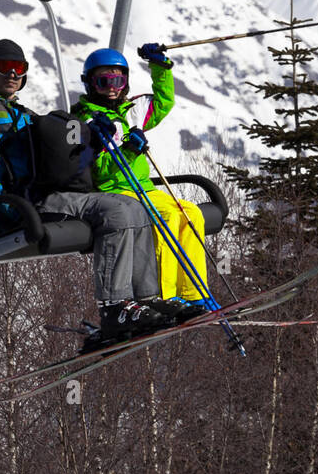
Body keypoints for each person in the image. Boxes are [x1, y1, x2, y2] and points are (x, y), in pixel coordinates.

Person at [0, 27, 180, 347]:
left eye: (19, 69)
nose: (11, 74)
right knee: (117, 211)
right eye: (3, 67)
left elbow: (64, 157)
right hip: (12, 205)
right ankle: (114, 307)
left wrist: (93, 136)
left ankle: (144, 300)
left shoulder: (25, 115)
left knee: (135, 206)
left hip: (46, 197)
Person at [71, 44, 212, 313]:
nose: (112, 87)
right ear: (90, 83)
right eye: (103, 81)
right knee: (167, 218)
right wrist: (127, 149)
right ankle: (164, 295)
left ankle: (194, 293)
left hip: (144, 188)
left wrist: (160, 67)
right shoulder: (86, 120)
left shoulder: (129, 111)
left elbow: (162, 102)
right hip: (115, 192)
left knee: (190, 212)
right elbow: (98, 171)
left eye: (118, 80)